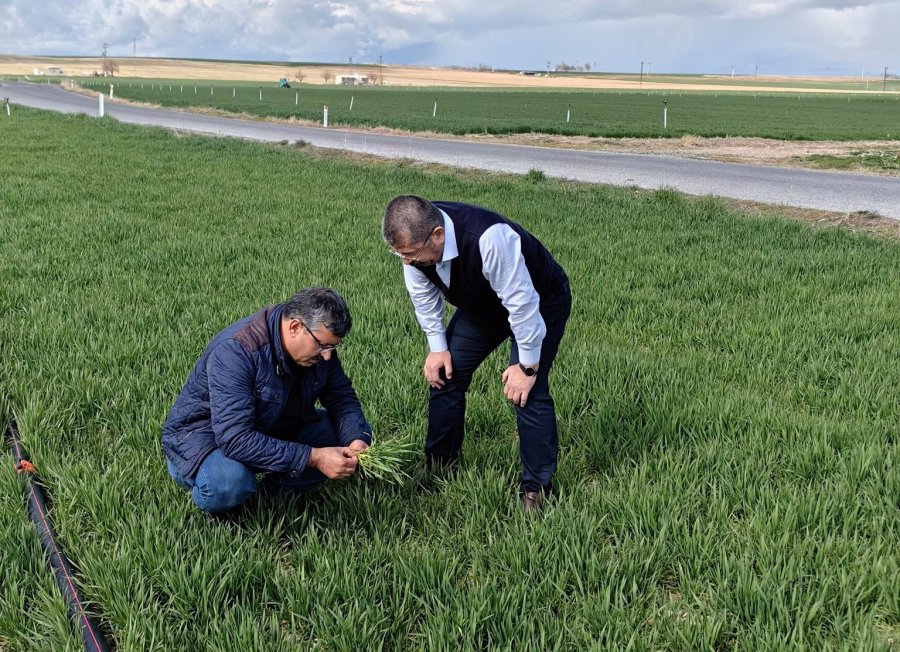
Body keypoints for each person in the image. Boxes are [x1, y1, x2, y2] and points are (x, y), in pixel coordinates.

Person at [382, 196, 571, 511]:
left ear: (438, 235)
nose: (406, 262)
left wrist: (526, 369)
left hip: (540, 301)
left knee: (527, 392)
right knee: (445, 375)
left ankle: (536, 489)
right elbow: (423, 296)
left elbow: (522, 308)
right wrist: (437, 348)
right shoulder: (414, 248)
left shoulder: (489, 238)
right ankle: (441, 466)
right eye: (399, 254)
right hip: (482, 306)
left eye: (411, 254)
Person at [161, 288, 371, 514]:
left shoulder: (317, 346)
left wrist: (355, 439)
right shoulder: (236, 351)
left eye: (333, 347)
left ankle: (269, 497)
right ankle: (198, 475)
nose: (327, 355)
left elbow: (342, 398)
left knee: (349, 433)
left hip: (270, 424)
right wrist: (314, 457)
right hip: (207, 438)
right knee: (228, 483)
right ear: (295, 327)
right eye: (322, 345)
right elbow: (235, 438)